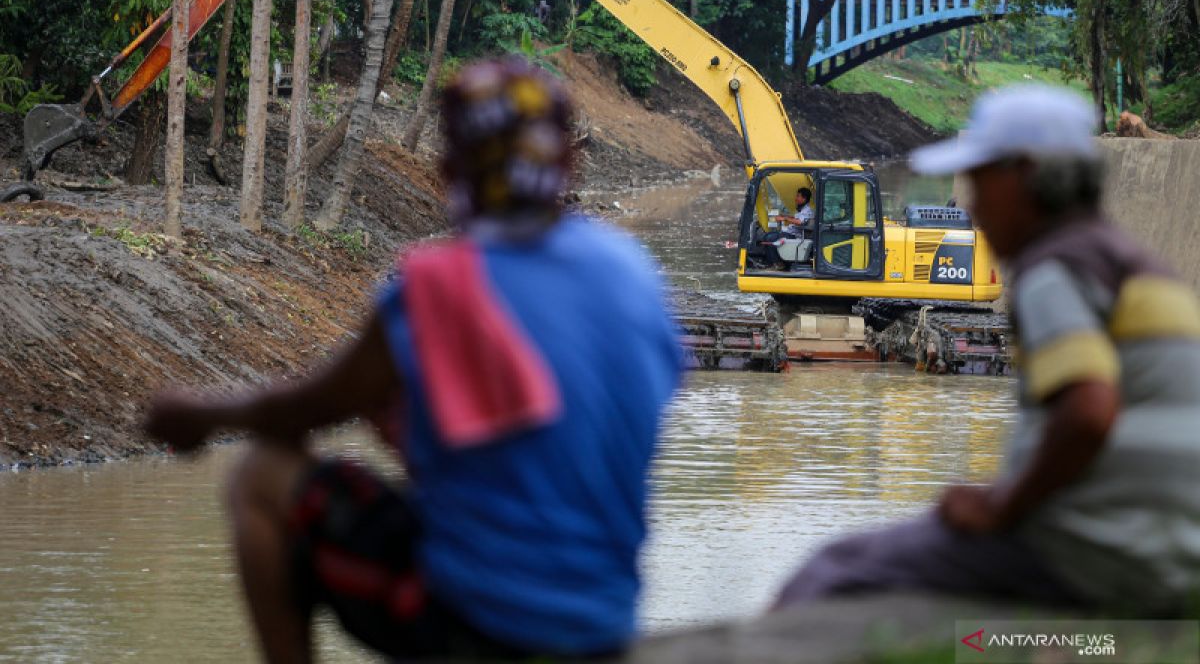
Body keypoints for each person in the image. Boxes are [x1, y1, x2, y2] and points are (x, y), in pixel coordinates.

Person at [145, 58, 683, 662]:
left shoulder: (436, 287)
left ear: (447, 168)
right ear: (568, 162)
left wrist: (202, 414)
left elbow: (302, 411)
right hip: (602, 627)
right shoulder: (635, 275)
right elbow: (562, 435)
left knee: (261, 475)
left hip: (476, 628)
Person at [774, 84, 1200, 614]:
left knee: (836, 569)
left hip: (1097, 553)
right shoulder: (1138, 267)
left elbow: (1088, 412)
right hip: (1173, 553)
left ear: (1022, 175)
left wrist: (1001, 506)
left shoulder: (1056, 272)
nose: (969, 202)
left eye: (978, 179)